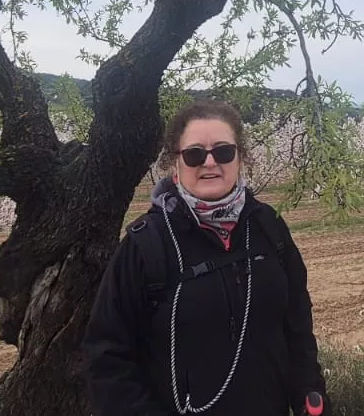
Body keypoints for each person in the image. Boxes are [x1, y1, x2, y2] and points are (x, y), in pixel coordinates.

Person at [83, 99, 329, 416]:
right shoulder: (146, 244)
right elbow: (107, 356)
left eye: (224, 152)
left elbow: (297, 326)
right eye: (195, 154)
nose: (210, 163)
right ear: (175, 162)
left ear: (240, 157)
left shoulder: (269, 227)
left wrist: (309, 392)